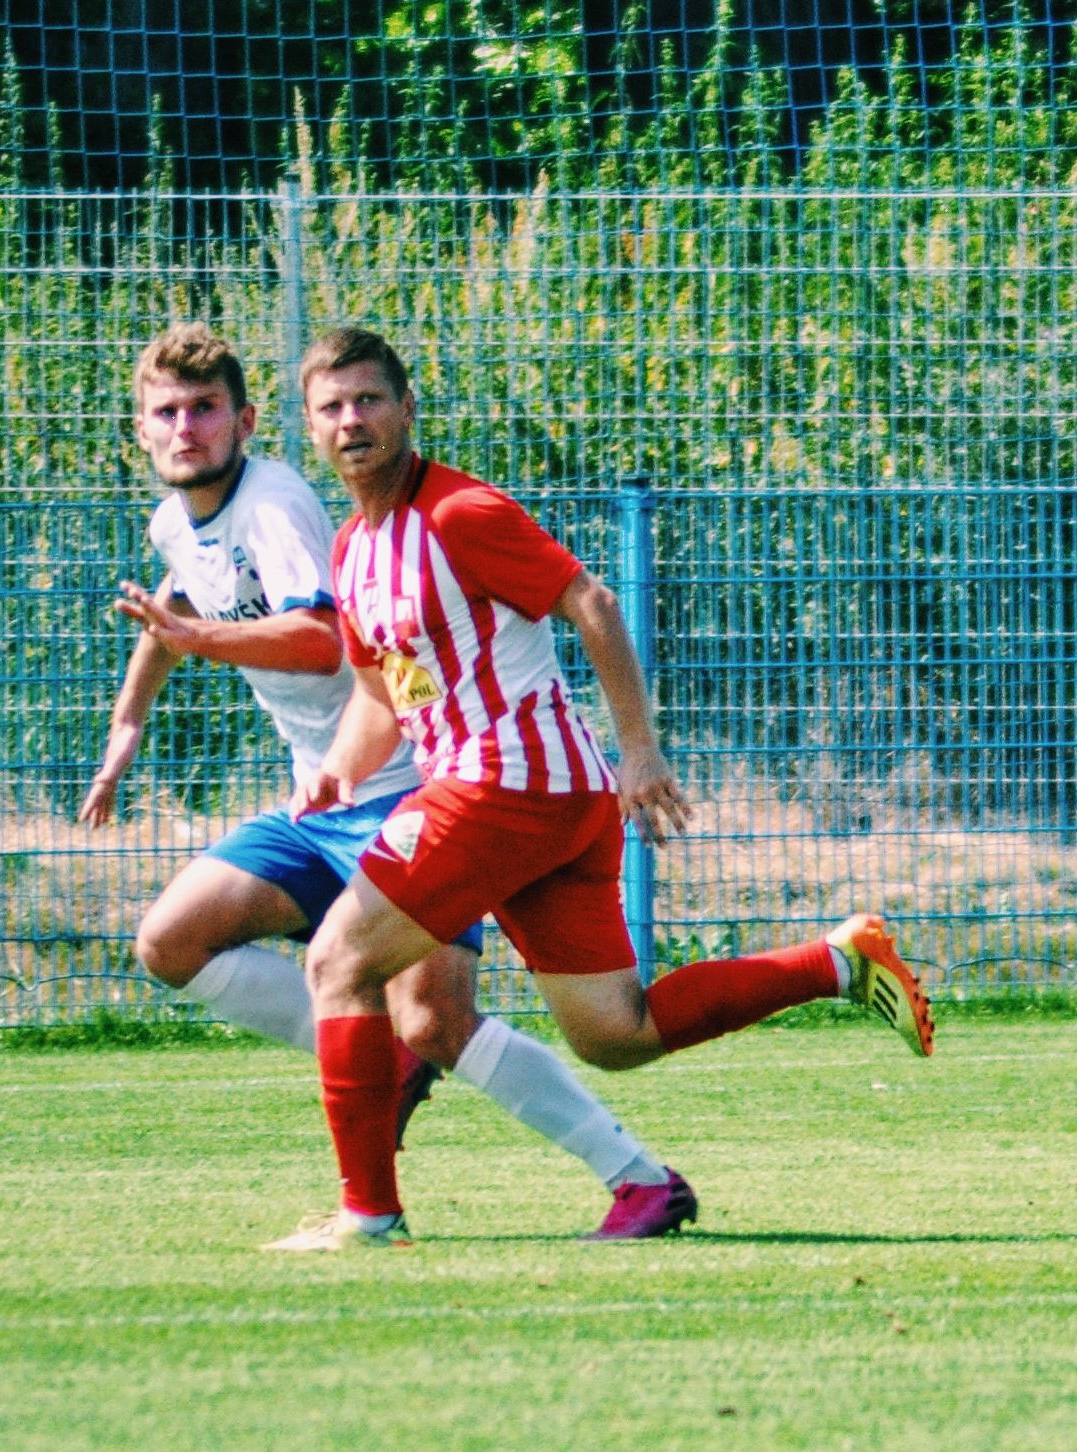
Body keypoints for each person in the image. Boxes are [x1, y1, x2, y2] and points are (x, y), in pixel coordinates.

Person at [261, 327, 935, 1253]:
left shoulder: (459, 514)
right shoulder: (353, 547)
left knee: (338, 963)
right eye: (331, 407)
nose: (352, 421)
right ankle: (838, 962)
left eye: (369, 400)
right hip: (545, 800)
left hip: (507, 786)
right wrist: (340, 766)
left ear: (407, 409)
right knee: (617, 1032)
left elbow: (593, 603)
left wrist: (641, 752)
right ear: (309, 427)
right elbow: (386, 689)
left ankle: (367, 1216)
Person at [84, 323, 682, 1239]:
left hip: (410, 788)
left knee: (438, 1021)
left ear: (246, 423)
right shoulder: (179, 520)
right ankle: (372, 1063)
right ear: (140, 432)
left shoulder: (278, 506)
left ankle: (625, 1177)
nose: (185, 430)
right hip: (326, 787)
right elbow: (176, 604)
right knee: (170, 942)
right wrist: (128, 723)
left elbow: (324, 639)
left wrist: (204, 643)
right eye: (165, 413)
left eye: (204, 410)